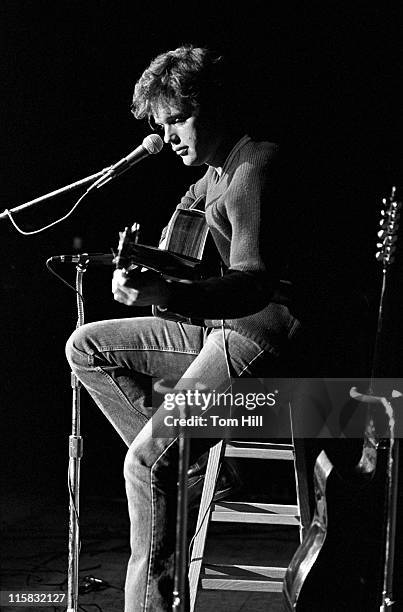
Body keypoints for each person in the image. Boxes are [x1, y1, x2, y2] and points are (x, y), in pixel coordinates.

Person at [65, 44, 301, 612]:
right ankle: (188, 467)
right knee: (87, 346)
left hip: (258, 334)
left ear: (214, 106)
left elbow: (253, 281)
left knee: (144, 461)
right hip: (218, 325)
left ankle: (151, 600)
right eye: (161, 124)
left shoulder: (252, 167)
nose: (169, 135)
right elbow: (201, 265)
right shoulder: (211, 176)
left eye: (178, 119)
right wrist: (151, 264)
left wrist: (167, 291)